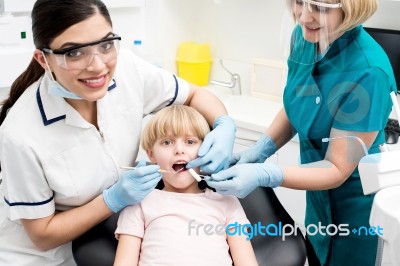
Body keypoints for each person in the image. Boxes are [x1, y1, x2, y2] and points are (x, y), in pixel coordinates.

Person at [0, 0, 236, 265]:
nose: (98, 66)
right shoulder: (20, 134)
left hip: (103, 237)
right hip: (43, 257)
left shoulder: (128, 70)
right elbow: (41, 235)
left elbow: (195, 94)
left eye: (106, 44)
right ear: (43, 59)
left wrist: (224, 125)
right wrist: (112, 200)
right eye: (75, 53)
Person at [206, 0, 397, 265]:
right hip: (318, 203)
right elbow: (298, 103)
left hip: (355, 214)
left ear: (351, 7)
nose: (304, 16)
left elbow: (338, 167)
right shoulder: (305, 36)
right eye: (298, 2)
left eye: (319, 7)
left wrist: (266, 174)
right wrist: (261, 149)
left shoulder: (368, 72)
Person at [113, 105, 258, 266]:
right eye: (167, 142)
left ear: (208, 149)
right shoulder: (139, 203)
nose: (179, 150)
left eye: (190, 141)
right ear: (151, 154)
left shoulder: (227, 203)